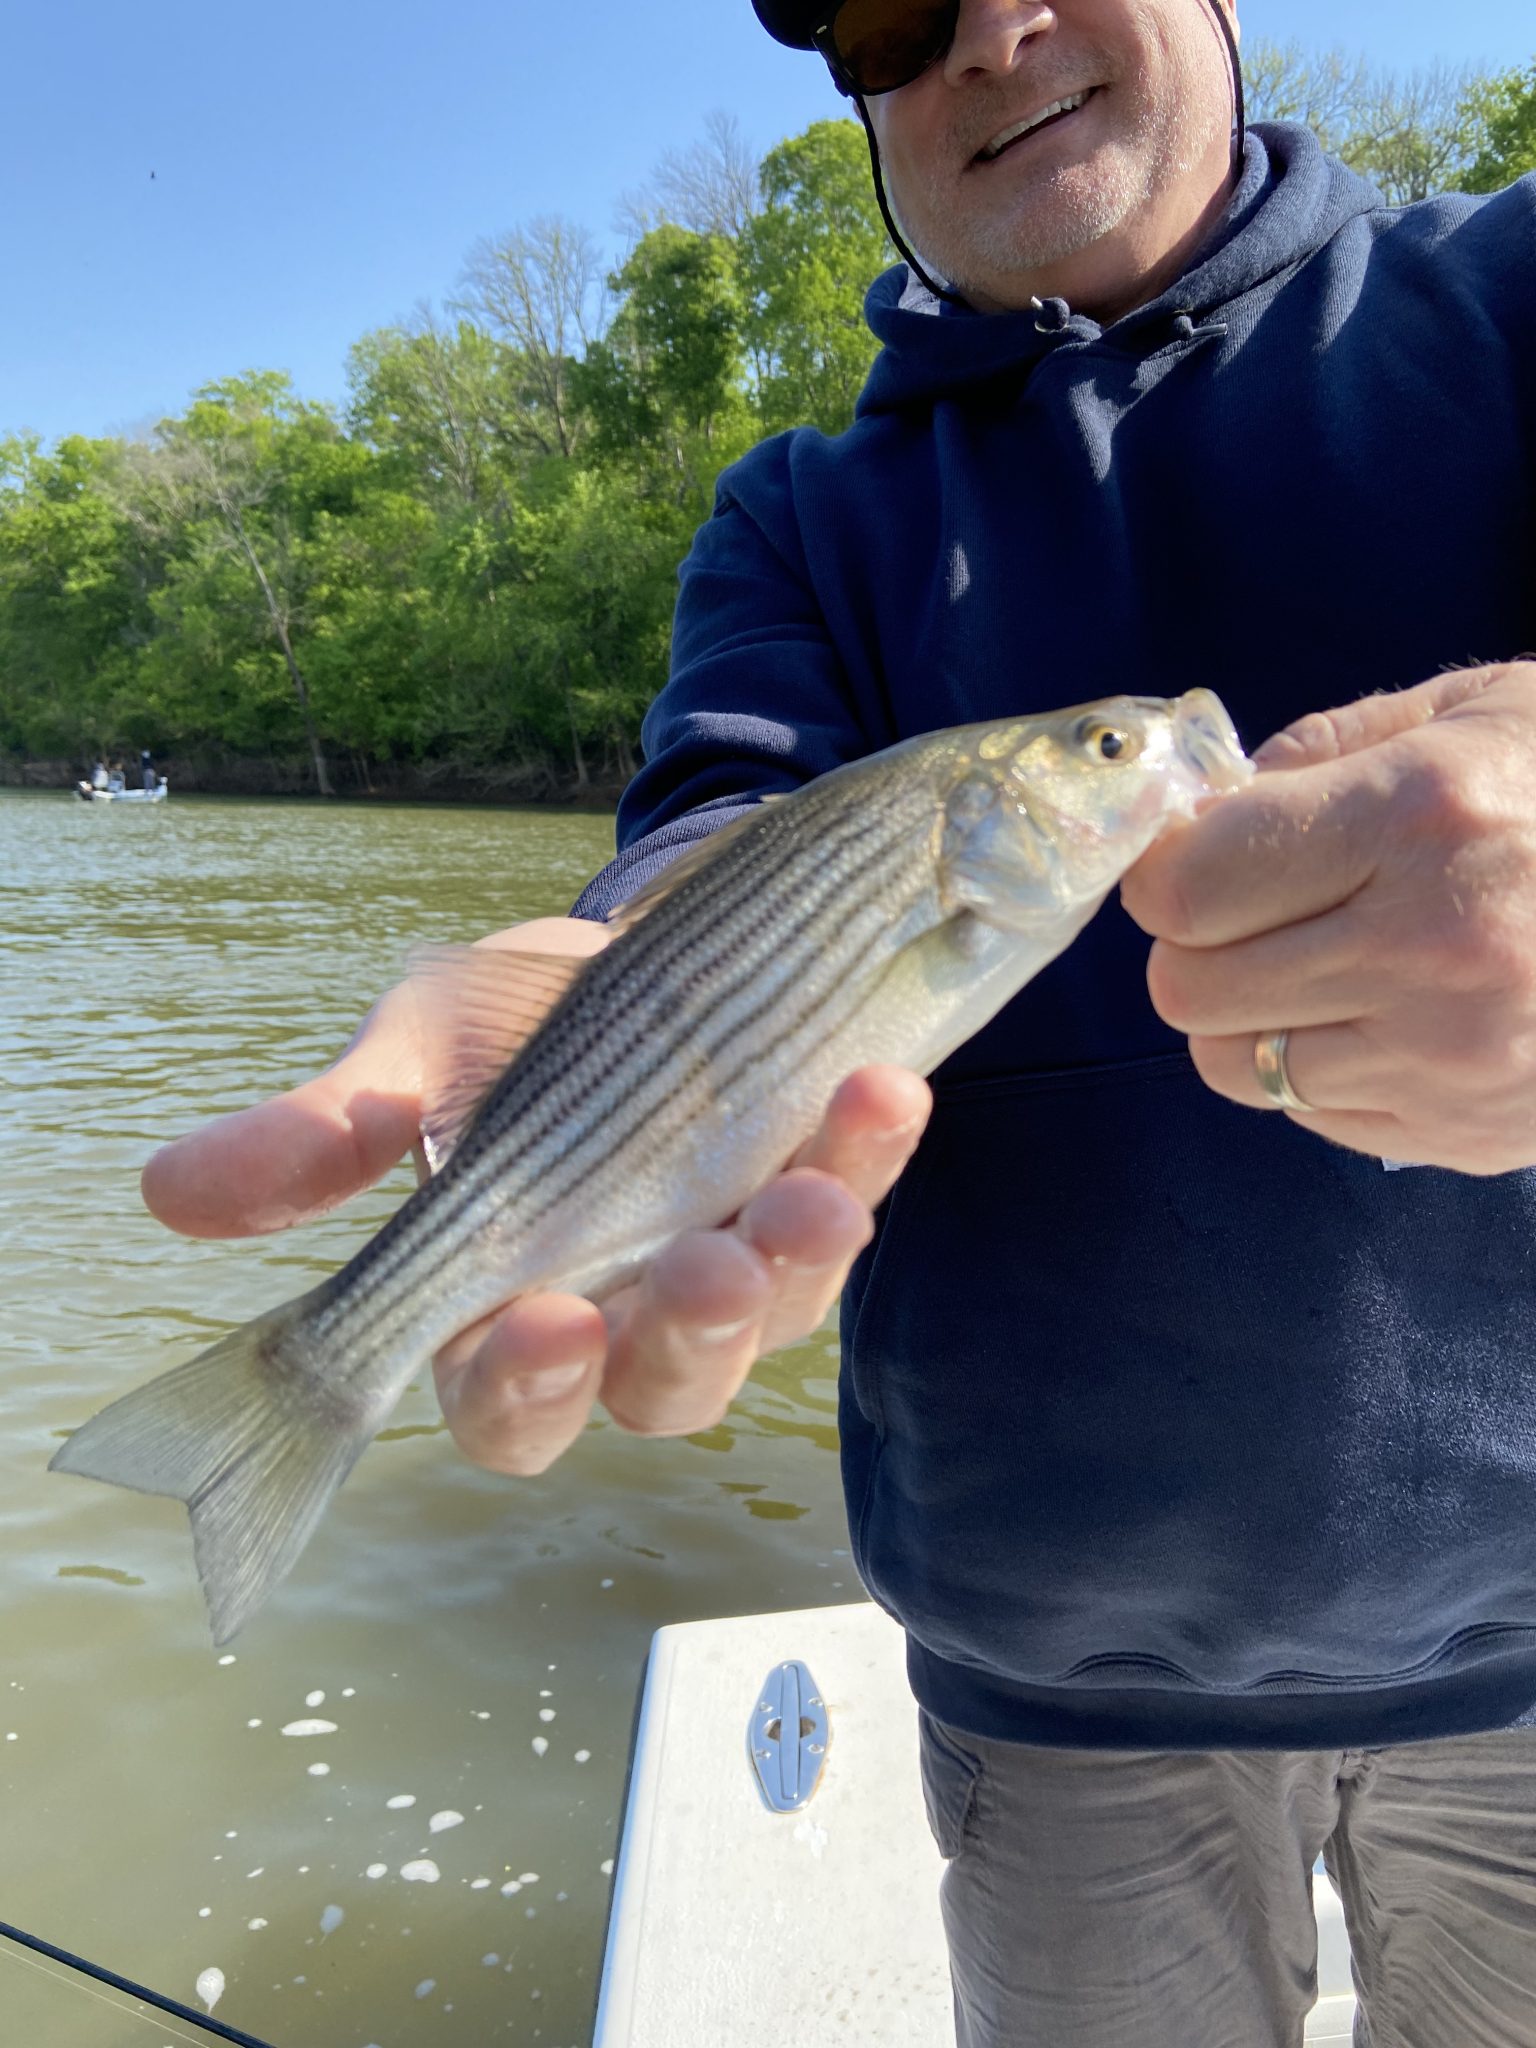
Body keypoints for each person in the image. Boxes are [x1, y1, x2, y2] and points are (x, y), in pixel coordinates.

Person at [142, 3, 1536, 2041]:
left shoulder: (1506, 301)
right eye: (892, 5)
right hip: (1052, 1688)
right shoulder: (800, 513)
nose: (992, 33)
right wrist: (595, 989)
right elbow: (717, 832)